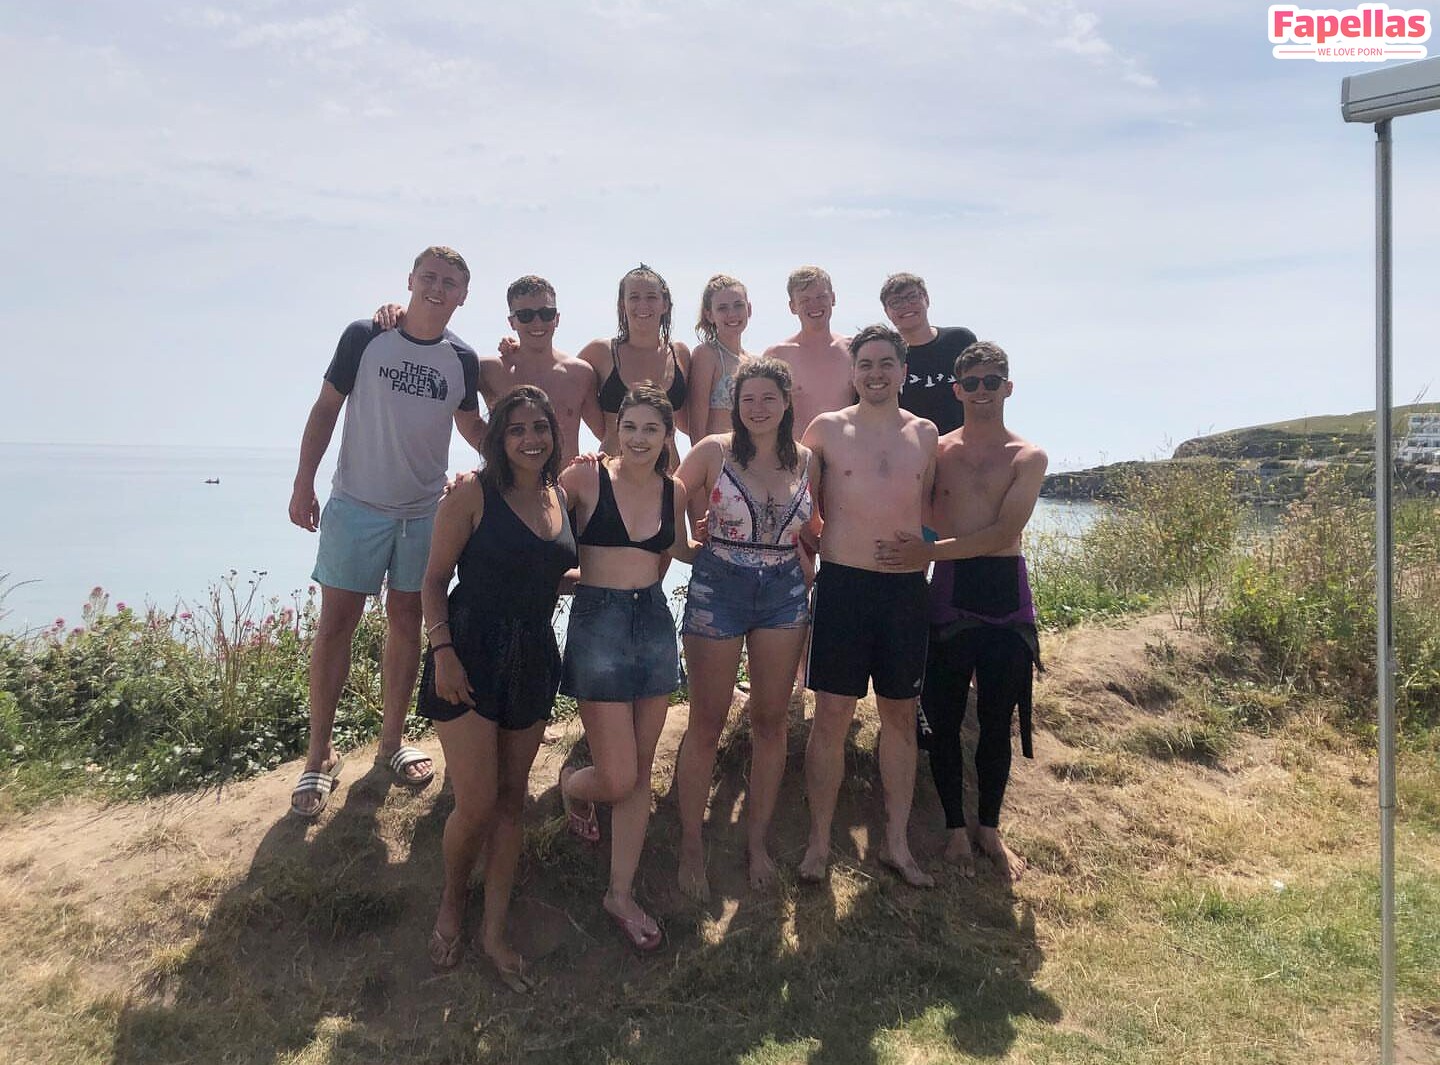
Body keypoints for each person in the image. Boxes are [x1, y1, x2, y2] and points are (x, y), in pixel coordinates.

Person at [287, 246, 484, 818]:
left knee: (406, 622)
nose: (437, 289)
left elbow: (471, 423)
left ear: (463, 296)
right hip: (356, 505)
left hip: (423, 512)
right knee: (336, 626)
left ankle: (391, 743)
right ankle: (319, 754)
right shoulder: (366, 336)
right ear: (411, 280)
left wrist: (524, 458)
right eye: (430, 277)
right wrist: (303, 483)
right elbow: (326, 408)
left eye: (450, 282)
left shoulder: (461, 358)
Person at [416, 386, 575, 985]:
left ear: (554, 434)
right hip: (469, 649)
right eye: (517, 429)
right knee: (477, 802)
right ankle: (452, 898)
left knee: (512, 801)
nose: (531, 438)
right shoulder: (471, 494)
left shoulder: (560, 496)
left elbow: (545, 572)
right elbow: (433, 581)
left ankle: (494, 931)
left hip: (533, 654)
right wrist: (443, 653)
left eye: (541, 427)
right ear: (498, 438)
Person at [874, 341, 1048, 882]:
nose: (980, 391)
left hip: (1005, 593)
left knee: (998, 721)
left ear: (1008, 387)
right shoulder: (940, 451)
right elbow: (916, 509)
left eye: (991, 382)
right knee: (944, 720)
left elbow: (1003, 531)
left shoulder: (1028, 457)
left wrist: (928, 553)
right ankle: (954, 829)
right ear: (956, 390)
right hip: (950, 593)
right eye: (970, 383)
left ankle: (989, 829)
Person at [557, 386, 701, 950]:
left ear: (667, 437)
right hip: (598, 624)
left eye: (652, 429)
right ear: (616, 430)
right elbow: (535, 516)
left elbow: (680, 550)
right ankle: (573, 786)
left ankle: (619, 893)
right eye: (631, 427)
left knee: (639, 770)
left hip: (654, 623)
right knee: (616, 777)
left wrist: (744, 540)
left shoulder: (675, 489)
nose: (639, 438)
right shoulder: (585, 477)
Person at [798, 324, 939, 887]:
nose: (875, 373)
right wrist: (813, 546)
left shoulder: (925, 434)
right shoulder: (827, 429)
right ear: (852, 372)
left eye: (885, 363)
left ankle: (897, 844)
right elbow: (800, 505)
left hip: (904, 591)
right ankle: (817, 843)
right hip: (843, 587)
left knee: (899, 715)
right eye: (865, 364)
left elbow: (931, 508)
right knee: (832, 715)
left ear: (903, 370)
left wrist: (927, 548)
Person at [673, 358, 819, 900]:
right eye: (747, 398)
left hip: (784, 590)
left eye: (768, 398)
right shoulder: (713, 450)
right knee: (706, 721)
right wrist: (683, 548)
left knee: (771, 721)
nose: (757, 408)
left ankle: (757, 841)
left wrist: (818, 554)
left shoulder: (806, 458)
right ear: (735, 404)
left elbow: (815, 524)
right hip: (719, 586)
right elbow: (666, 494)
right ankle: (691, 845)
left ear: (786, 402)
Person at [373, 275, 604, 460]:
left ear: (557, 318)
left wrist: (596, 471)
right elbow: (460, 415)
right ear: (512, 322)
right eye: (525, 315)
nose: (537, 322)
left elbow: (606, 432)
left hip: (566, 493)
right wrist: (404, 315)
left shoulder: (581, 373)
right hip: (508, 493)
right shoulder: (488, 370)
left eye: (546, 313)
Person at [577, 265, 691, 458]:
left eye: (651, 297)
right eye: (634, 297)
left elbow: (692, 420)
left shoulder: (680, 354)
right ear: (622, 305)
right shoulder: (600, 352)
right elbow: (566, 390)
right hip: (614, 466)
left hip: (668, 471)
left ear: (665, 304)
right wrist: (610, 435)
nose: (643, 305)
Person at [761, 266, 854, 437]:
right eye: (805, 300)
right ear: (793, 306)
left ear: (833, 298)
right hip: (797, 450)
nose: (814, 305)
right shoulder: (778, 356)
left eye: (821, 297)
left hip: (847, 450)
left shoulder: (854, 350)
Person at [880, 272, 977, 436]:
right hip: (909, 447)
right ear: (887, 312)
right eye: (896, 302)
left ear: (926, 299)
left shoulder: (960, 340)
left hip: (962, 445)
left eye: (912, 297)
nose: (906, 305)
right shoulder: (884, 356)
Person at [685, 274, 754, 439]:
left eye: (738, 305)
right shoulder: (706, 355)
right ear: (709, 315)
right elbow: (696, 424)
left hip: (753, 452)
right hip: (718, 452)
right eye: (722, 308)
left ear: (749, 309)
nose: (732, 314)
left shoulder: (755, 362)